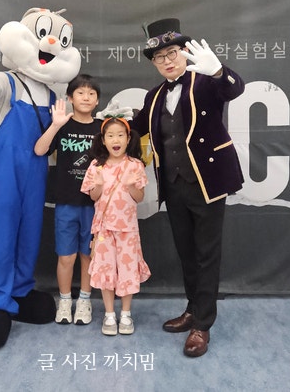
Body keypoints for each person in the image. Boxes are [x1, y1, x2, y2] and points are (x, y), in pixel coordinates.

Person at [131, 18, 245, 357]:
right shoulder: (154, 95)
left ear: (184, 52)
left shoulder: (206, 81)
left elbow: (235, 89)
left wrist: (219, 71)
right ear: (154, 63)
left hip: (207, 182)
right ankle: (193, 309)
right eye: (159, 57)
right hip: (173, 184)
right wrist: (109, 121)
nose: (167, 61)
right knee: (187, 253)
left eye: (172, 53)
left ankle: (203, 325)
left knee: (207, 254)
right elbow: (136, 127)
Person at [34, 74, 102, 325]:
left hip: (94, 204)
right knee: (66, 257)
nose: (86, 97)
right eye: (80, 93)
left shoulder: (102, 128)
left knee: (88, 256)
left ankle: (84, 301)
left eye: (92, 94)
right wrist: (54, 125)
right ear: (70, 98)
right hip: (65, 202)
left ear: (97, 101)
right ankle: (65, 300)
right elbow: (40, 150)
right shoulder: (62, 125)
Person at [80, 117, 151, 336]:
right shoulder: (96, 166)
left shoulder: (135, 165)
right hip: (104, 229)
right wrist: (98, 185)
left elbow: (139, 197)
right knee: (106, 270)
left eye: (120, 135)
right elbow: (93, 196)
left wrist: (131, 186)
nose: (116, 140)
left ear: (128, 139)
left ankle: (126, 313)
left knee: (128, 271)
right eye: (110, 136)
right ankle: (109, 314)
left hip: (128, 229)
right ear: (103, 140)